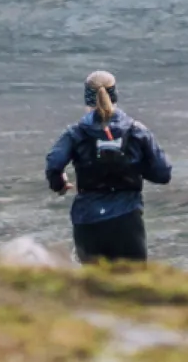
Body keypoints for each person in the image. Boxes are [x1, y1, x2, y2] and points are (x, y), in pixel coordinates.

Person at [45, 70, 172, 264]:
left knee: (94, 287)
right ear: (114, 95)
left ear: (87, 99)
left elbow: (54, 164)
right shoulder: (136, 130)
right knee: (134, 284)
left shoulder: (76, 132)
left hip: (87, 219)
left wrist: (59, 184)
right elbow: (163, 173)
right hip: (127, 219)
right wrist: (132, 166)